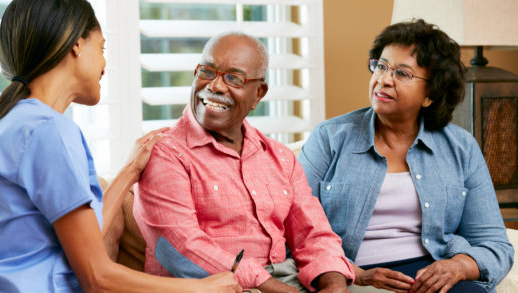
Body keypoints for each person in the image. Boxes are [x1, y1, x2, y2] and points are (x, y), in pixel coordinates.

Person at [0, 1, 242, 292]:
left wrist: (129, 172)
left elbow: (84, 243)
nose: (104, 64)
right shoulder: (49, 132)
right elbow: (97, 277)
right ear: (76, 45)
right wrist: (203, 288)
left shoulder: (2, 126)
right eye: (102, 48)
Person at [298, 19, 514, 293]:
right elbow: (294, 230)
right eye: (381, 66)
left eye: (402, 73)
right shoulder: (329, 138)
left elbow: (495, 245)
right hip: (351, 273)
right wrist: (356, 274)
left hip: (431, 273)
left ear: (431, 94)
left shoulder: (461, 147)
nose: (383, 79)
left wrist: (458, 266)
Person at [133, 31, 355, 293]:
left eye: (233, 78)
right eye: (207, 72)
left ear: (258, 93)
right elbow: (179, 247)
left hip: (287, 279)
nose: (215, 86)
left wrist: (334, 284)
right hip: (213, 287)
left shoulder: (280, 157)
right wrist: (273, 287)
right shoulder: (165, 153)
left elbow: (313, 233)